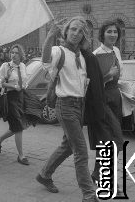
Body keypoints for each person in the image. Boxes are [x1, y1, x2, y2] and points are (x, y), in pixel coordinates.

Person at [35, 17, 98, 202]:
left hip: (80, 105)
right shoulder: (59, 50)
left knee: (67, 146)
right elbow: (45, 61)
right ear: (66, 31)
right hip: (66, 105)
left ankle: (44, 174)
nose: (76, 33)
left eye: (80, 31)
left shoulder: (82, 56)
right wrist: (50, 36)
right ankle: (88, 194)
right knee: (81, 150)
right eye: (73, 29)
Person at [92, 20, 125, 182]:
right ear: (102, 34)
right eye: (109, 32)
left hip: (115, 98)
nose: (113, 35)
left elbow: (120, 74)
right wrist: (108, 75)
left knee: (109, 139)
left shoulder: (117, 50)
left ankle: (98, 174)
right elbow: (92, 83)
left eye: (115, 32)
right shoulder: (97, 54)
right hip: (103, 98)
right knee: (111, 139)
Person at [0, 44, 29, 165]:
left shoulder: (23, 66)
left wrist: (23, 86)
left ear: (21, 55)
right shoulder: (5, 66)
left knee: (17, 126)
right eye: (12, 52)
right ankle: (21, 155)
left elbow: (25, 81)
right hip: (10, 98)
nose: (13, 55)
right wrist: (12, 85)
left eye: (16, 53)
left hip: (21, 98)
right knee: (18, 127)